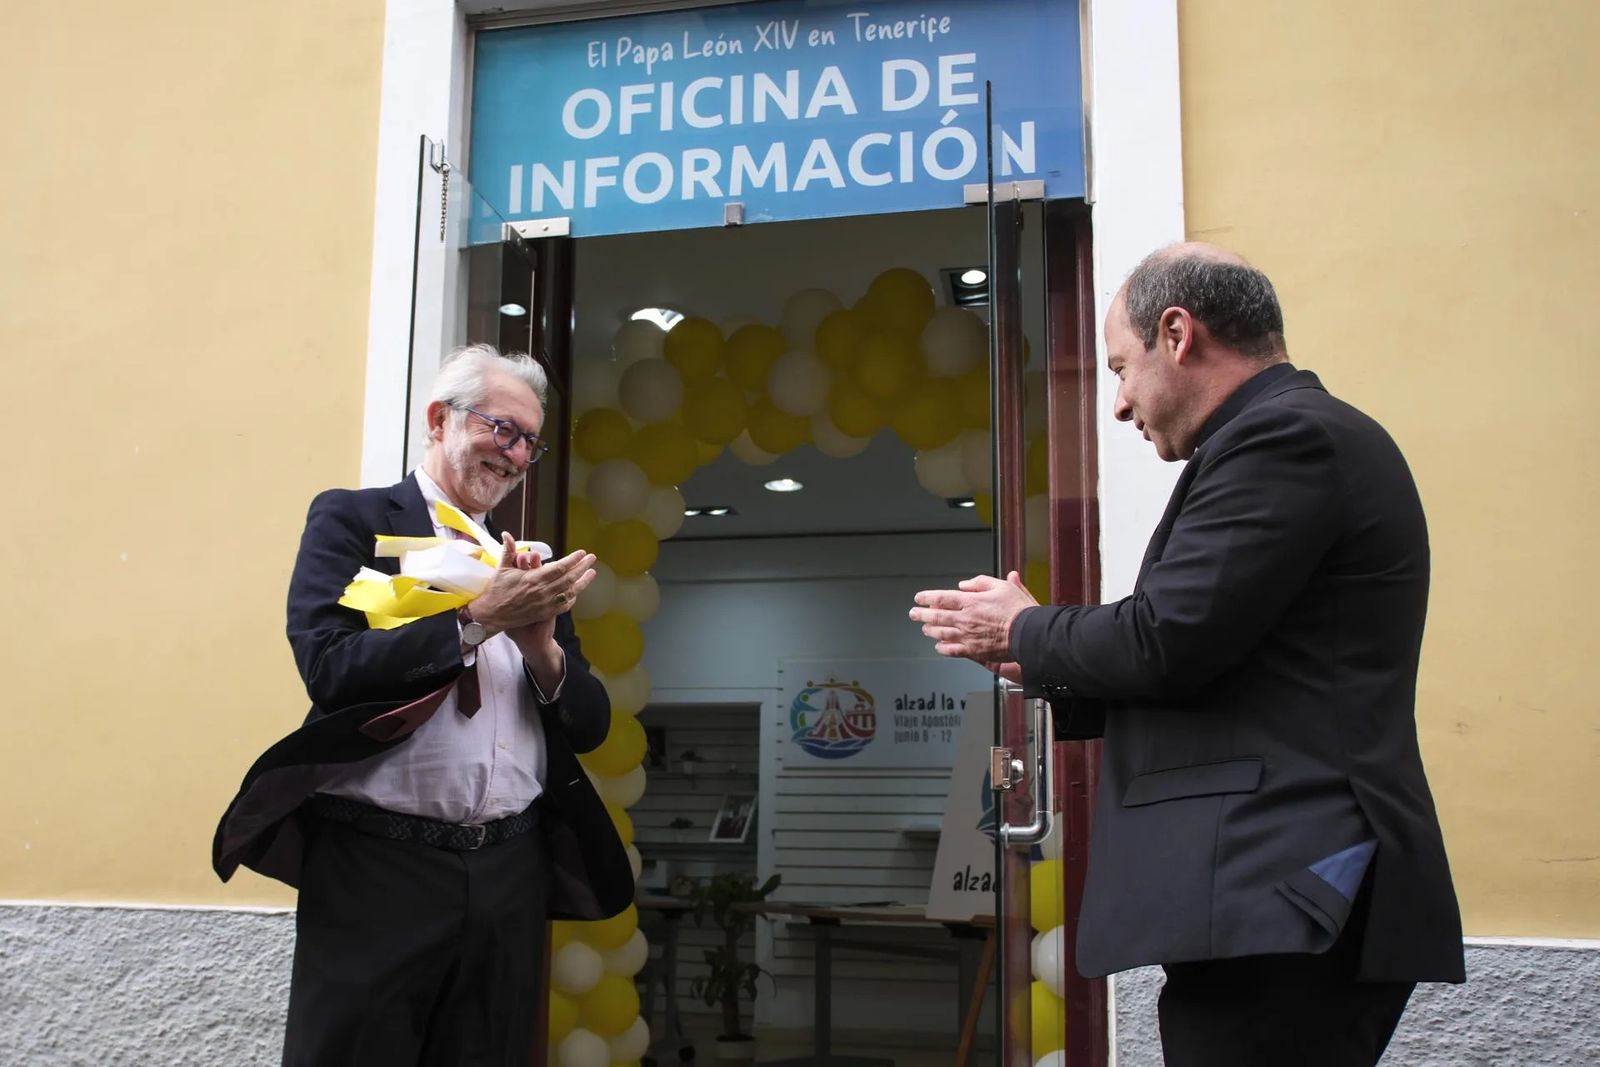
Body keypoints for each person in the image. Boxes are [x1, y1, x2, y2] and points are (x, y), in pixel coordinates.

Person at [909, 245, 1463, 1066]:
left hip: (1284, 896)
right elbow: (1218, 653)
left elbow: (1168, 637)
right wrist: (1043, 659)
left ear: (1178, 333)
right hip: (1274, 899)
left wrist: (1026, 628)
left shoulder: (1285, 438)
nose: (1121, 403)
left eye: (1122, 369)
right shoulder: (1282, 437)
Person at [213, 344, 635, 1067]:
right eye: (502, 428)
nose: (515, 454)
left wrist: (541, 646)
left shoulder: (528, 562)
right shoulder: (356, 521)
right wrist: (473, 622)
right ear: (440, 419)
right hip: (377, 863)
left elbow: (590, 724)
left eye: (529, 442)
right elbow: (328, 667)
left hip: (509, 866)